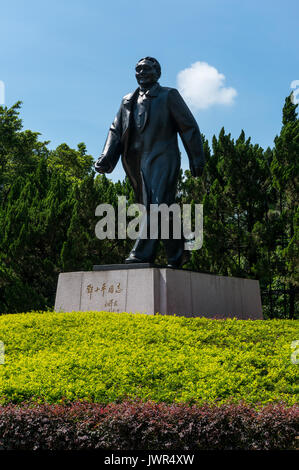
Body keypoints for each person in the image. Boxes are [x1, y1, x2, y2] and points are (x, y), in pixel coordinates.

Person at [95, 57, 205, 267]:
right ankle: (177, 253)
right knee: (160, 207)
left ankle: (141, 253)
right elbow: (116, 131)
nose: (141, 73)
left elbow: (189, 127)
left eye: (146, 69)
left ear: (158, 72)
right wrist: (106, 158)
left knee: (156, 204)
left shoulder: (168, 95)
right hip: (136, 162)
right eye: (138, 69)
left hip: (164, 157)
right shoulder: (128, 100)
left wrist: (196, 158)